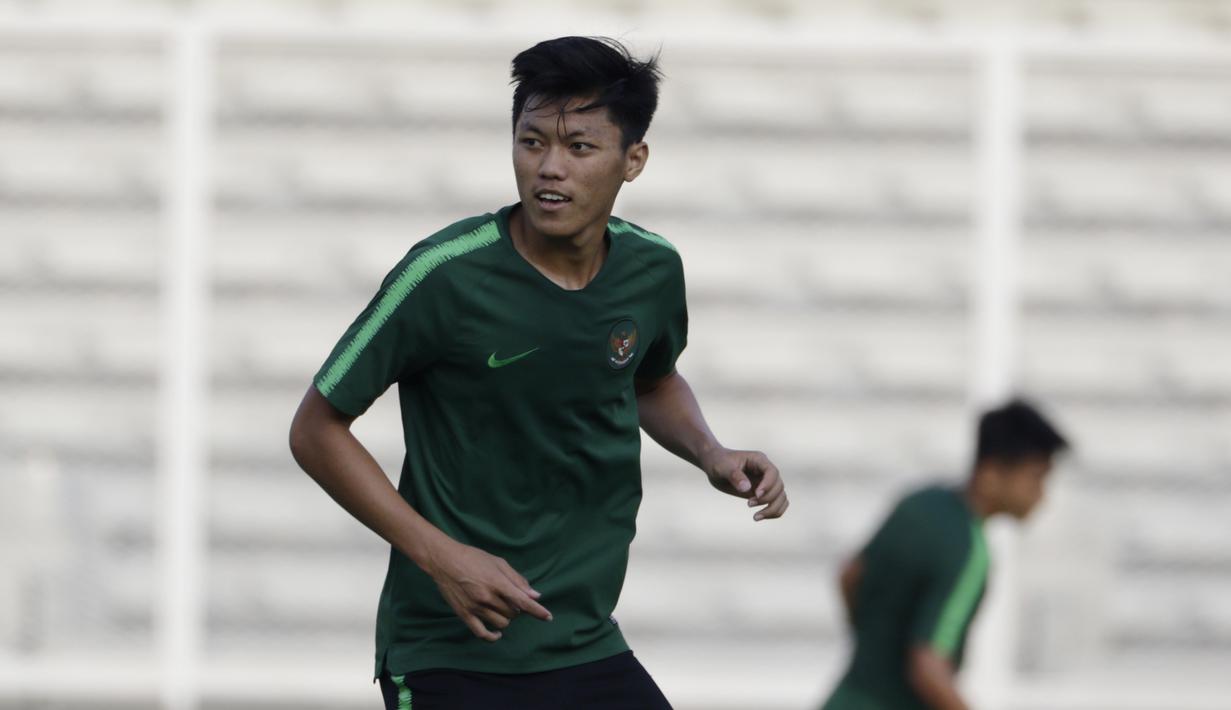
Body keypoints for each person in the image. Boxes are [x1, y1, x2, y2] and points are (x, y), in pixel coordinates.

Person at [288, 36, 789, 710]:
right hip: (450, 654)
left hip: (585, 642)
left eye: (579, 147)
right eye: (531, 143)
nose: (550, 168)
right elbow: (315, 429)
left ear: (632, 160)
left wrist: (711, 451)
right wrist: (441, 557)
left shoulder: (652, 269)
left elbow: (650, 379)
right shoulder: (444, 275)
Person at [821, 399, 1069, 710]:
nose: (1042, 494)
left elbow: (849, 575)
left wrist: (877, 650)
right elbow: (928, 666)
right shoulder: (968, 551)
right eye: (1036, 477)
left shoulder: (918, 503)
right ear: (991, 473)